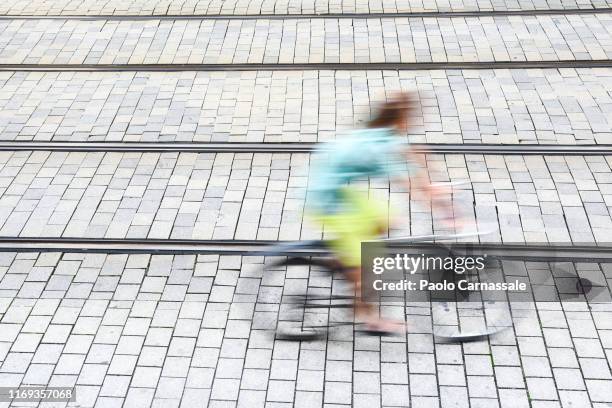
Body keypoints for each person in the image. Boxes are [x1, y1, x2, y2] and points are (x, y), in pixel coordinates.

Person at [306, 92, 455, 334]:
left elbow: (417, 156)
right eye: (411, 118)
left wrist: (432, 188)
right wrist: (441, 209)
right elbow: (407, 181)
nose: (414, 122)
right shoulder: (383, 145)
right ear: (401, 120)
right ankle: (366, 314)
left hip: (330, 187)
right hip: (323, 198)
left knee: (386, 216)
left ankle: (344, 260)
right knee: (370, 259)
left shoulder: (384, 135)